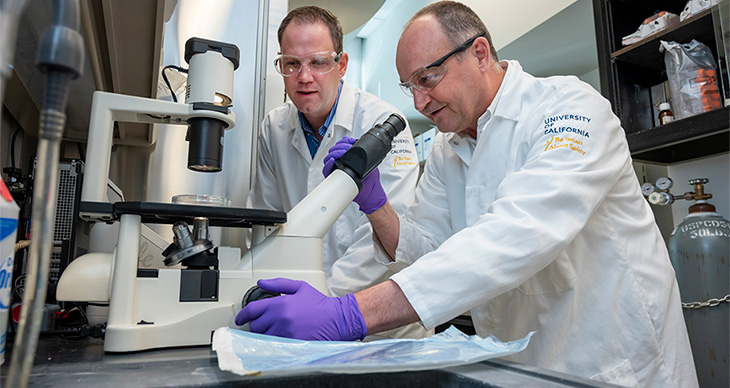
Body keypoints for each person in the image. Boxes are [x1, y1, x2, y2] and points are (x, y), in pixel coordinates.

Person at [236, 2, 699, 387]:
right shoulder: (446, 147)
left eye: (427, 78)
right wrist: (376, 206)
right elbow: (426, 248)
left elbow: (518, 234)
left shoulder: (570, 109)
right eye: (408, 86)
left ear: (479, 53)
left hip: (612, 364)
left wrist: (348, 313)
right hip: (521, 364)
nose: (417, 103)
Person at [245, 6, 429, 339]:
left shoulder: (382, 124)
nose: (304, 77)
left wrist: (323, 301)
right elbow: (266, 222)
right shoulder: (273, 127)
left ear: (341, 65)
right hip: (299, 315)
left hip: (380, 328)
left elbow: (388, 241)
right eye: (292, 64)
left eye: (318, 62)